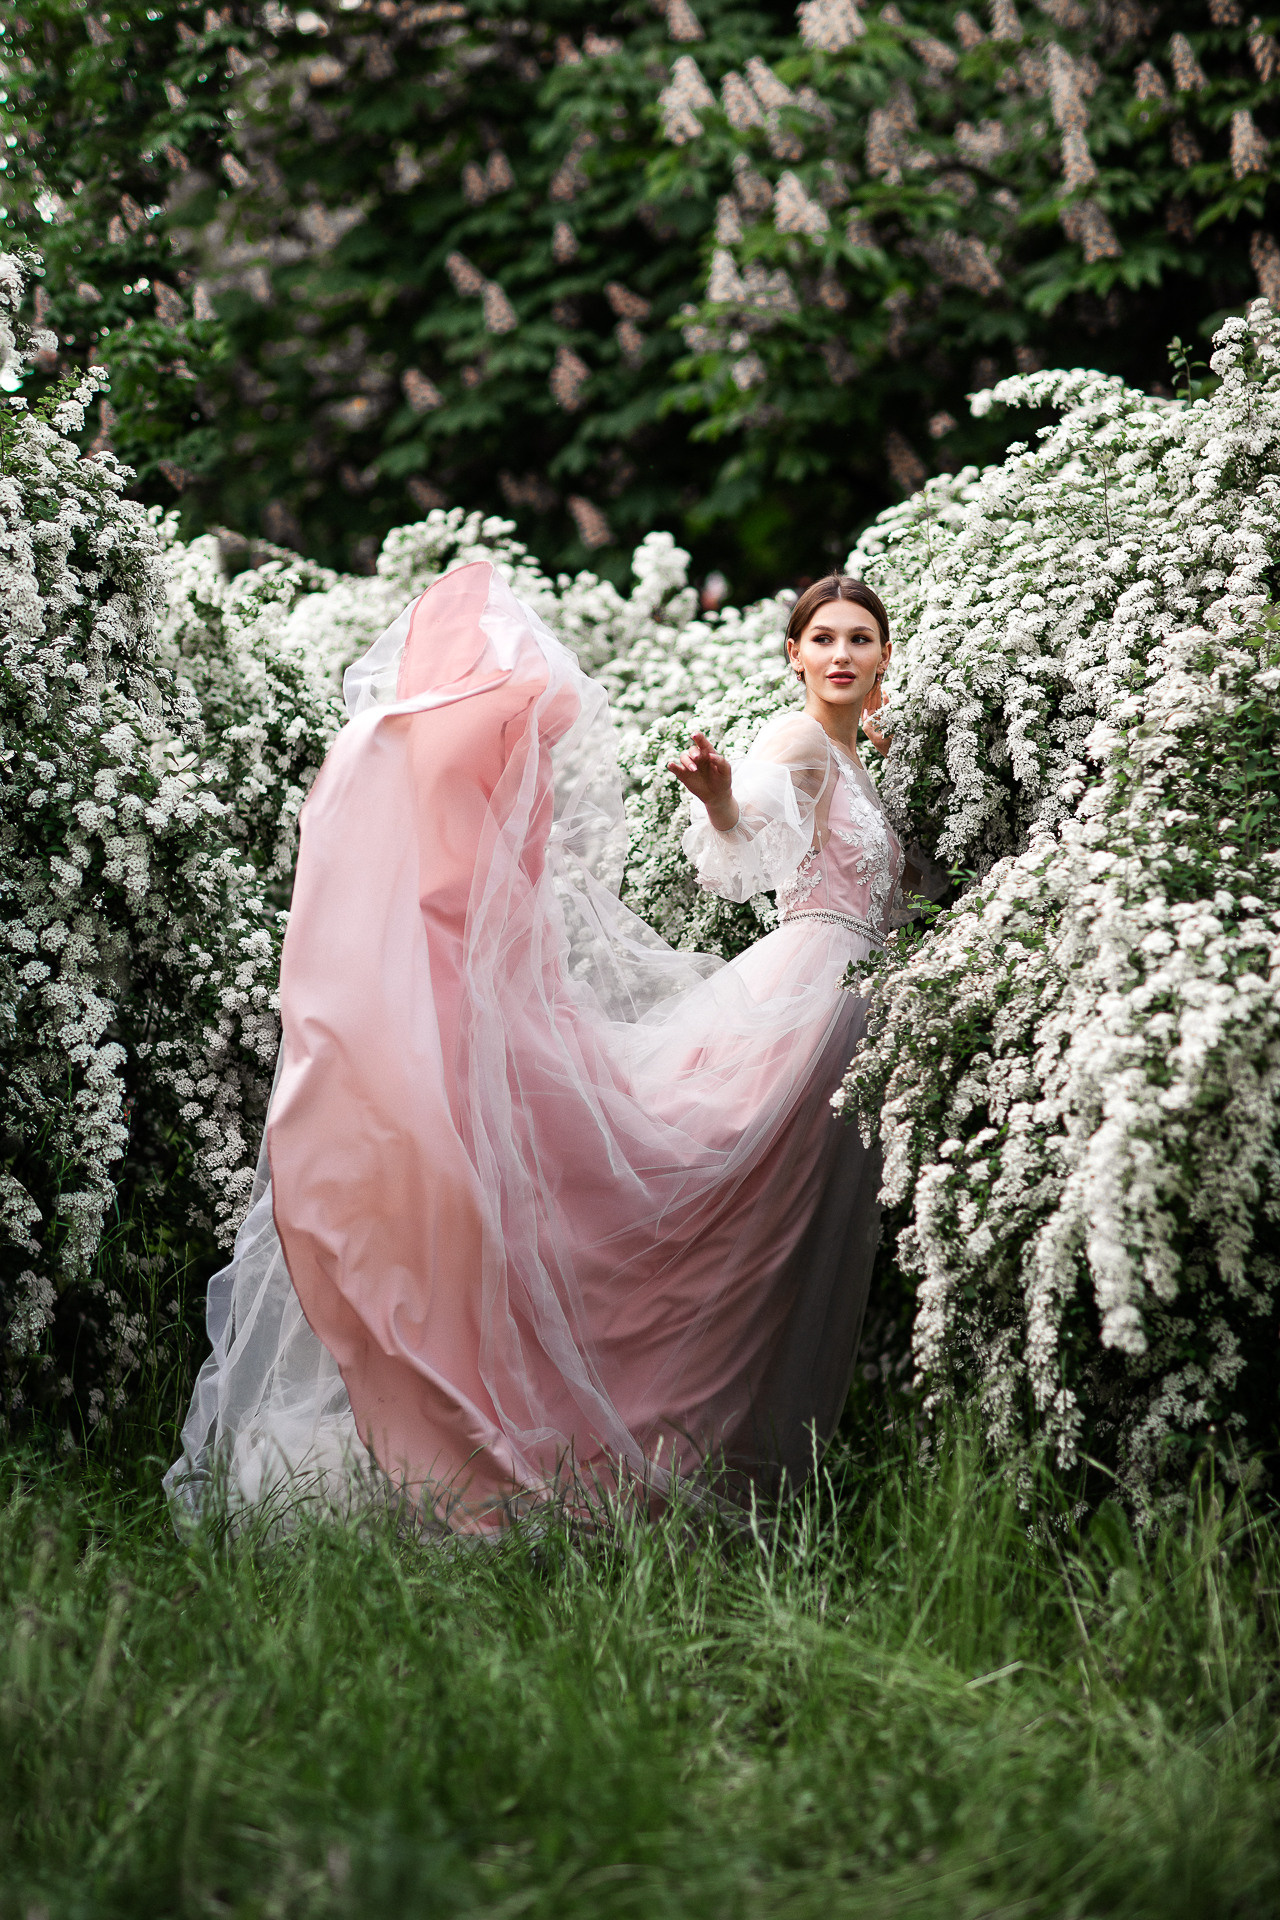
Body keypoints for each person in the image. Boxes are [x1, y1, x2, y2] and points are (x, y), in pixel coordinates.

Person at [165, 562, 906, 1535]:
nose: (839, 654)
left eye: (857, 638)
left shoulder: (862, 759)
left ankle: (719, 1449)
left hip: (845, 1002)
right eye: (822, 639)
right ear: (793, 655)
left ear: (883, 654)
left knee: (761, 1250)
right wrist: (723, 798)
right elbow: (746, 830)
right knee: (707, 1218)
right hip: (804, 999)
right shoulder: (799, 738)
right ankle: (620, 1445)